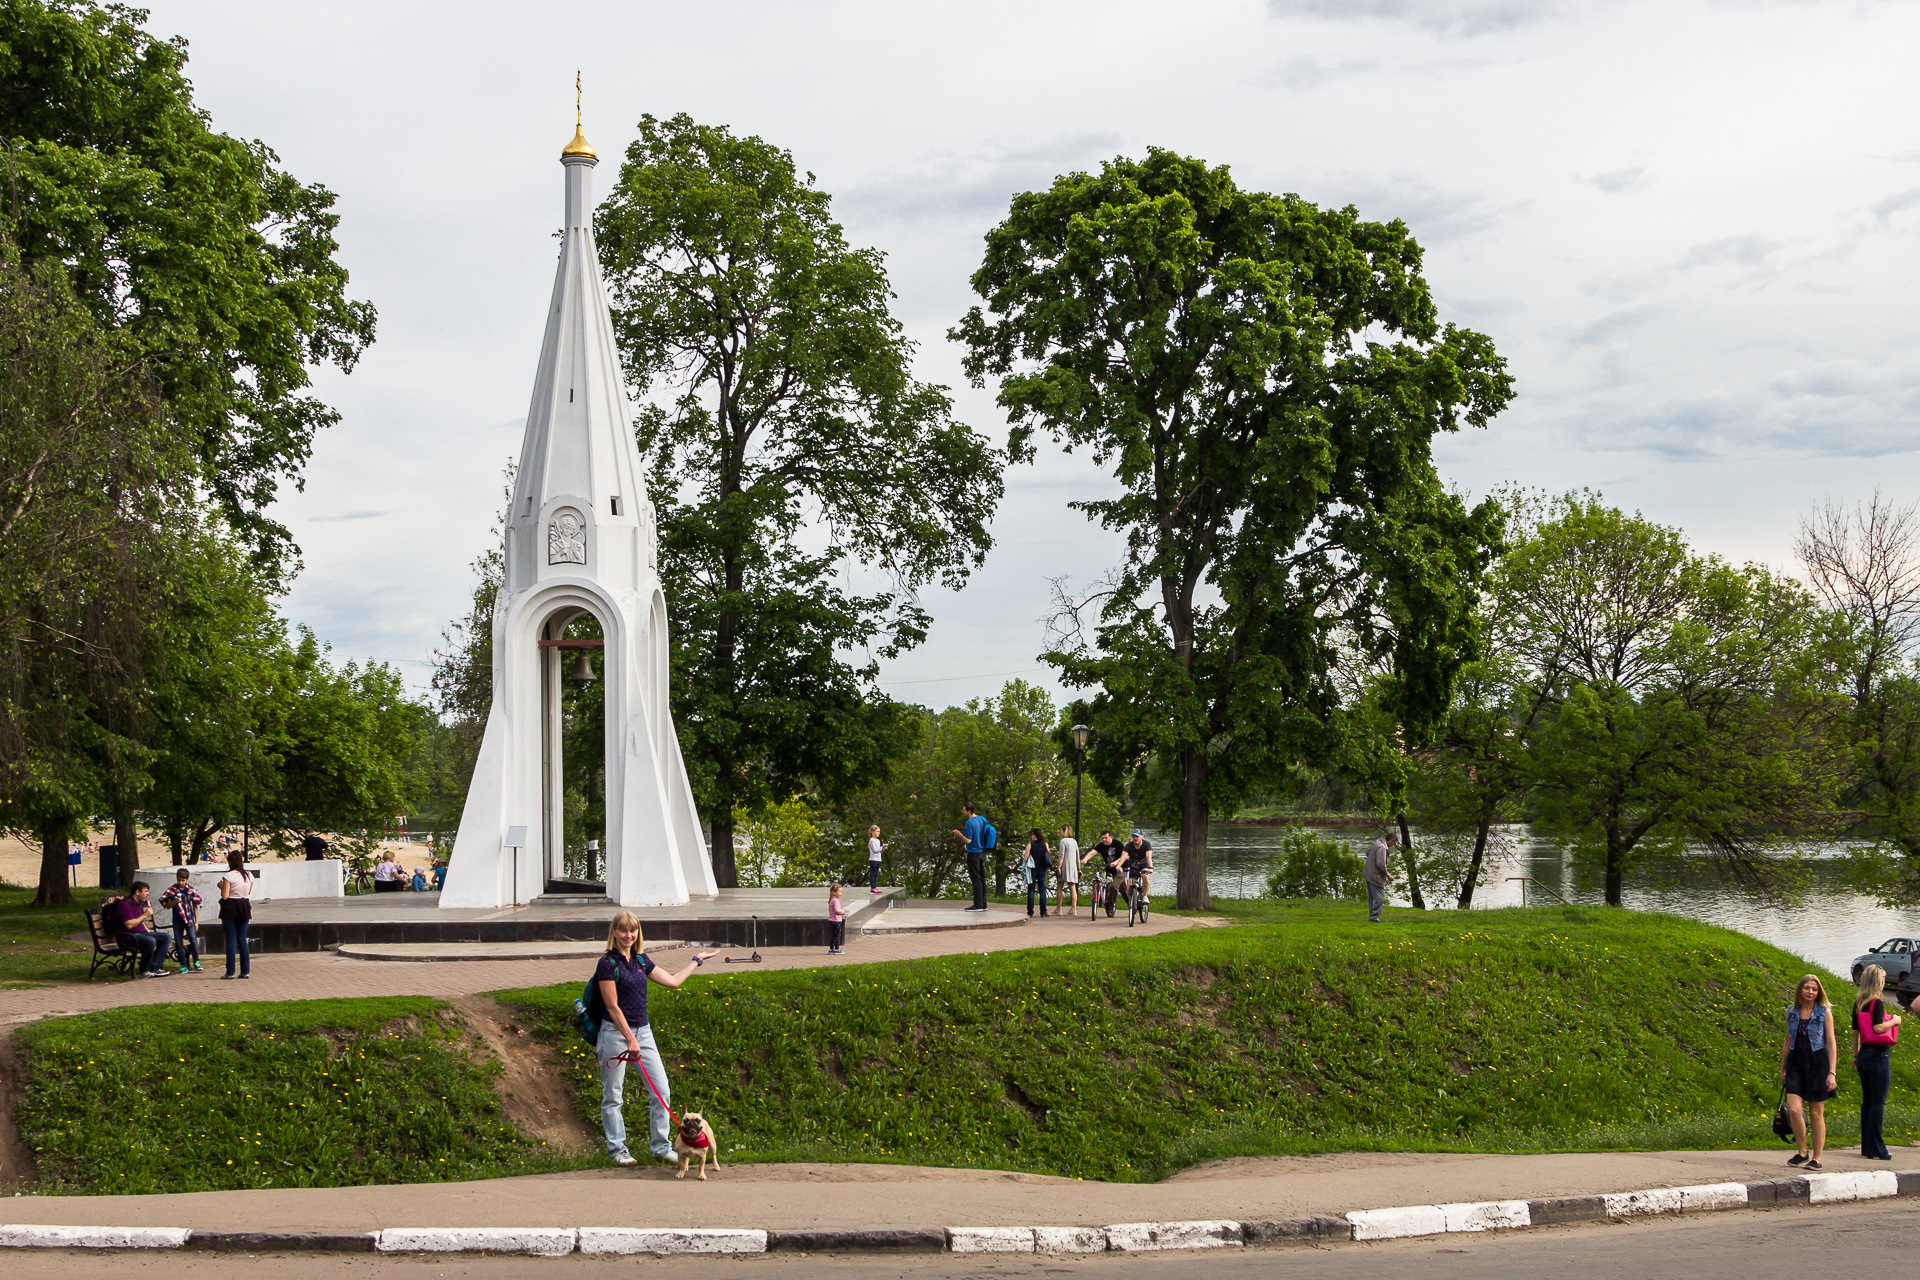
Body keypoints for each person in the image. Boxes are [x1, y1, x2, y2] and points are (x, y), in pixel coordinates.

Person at [592, 912, 717, 1167]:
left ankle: (661, 1147)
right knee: (613, 1095)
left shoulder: (640, 960)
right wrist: (629, 1038)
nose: (628, 935)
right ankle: (617, 1149)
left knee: (661, 1092)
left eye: (633, 931)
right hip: (615, 1034)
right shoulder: (607, 963)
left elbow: (673, 981)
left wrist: (696, 960)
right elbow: (612, 1006)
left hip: (643, 1032)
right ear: (614, 933)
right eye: (624, 931)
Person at [1781, 973, 1838, 1170]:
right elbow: (1788, 1041)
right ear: (1800, 990)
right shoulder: (1791, 1012)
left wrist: (1832, 1072)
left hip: (1818, 1063)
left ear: (1818, 992)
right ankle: (1802, 1151)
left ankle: (1818, 1157)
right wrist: (1784, 1069)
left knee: (1816, 1113)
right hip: (1796, 1063)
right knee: (1795, 1110)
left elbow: (1831, 1043)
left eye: (1814, 989)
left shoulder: (1824, 1012)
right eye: (1807, 988)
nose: (1810, 992)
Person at [1852, 964, 1902, 1161]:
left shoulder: (1859, 1002)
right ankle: (1879, 1148)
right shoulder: (1877, 1002)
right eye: (1882, 979)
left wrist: (1856, 1055)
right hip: (1878, 1057)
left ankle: (1868, 1147)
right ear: (1877, 982)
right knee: (1878, 1103)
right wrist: (1895, 1020)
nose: (1884, 983)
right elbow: (1879, 1028)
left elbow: (1856, 1032)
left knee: (1868, 1102)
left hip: (1864, 1055)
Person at [105, 881, 173, 977]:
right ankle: (144, 971)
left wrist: (148, 931)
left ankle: (155, 967)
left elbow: (139, 920)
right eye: (145, 891)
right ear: (137, 892)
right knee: (150, 941)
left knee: (165, 937)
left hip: (140, 934)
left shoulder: (139, 903)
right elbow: (129, 925)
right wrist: (145, 915)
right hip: (126, 937)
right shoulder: (125, 905)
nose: (148, 893)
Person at [158, 868, 204, 973]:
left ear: (187, 880)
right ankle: (183, 965)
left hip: (189, 918)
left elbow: (195, 905)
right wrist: (174, 901)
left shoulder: (190, 890)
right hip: (177, 920)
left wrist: (196, 921)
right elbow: (168, 905)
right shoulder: (172, 890)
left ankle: (196, 961)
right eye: (179, 880)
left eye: (183, 880)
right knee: (179, 942)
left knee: (193, 938)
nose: (181, 882)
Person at [218, 850, 254, 980]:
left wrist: (221, 886)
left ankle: (230, 971)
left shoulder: (229, 876)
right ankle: (245, 970)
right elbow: (248, 891)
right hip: (244, 905)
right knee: (242, 939)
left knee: (231, 939)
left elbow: (225, 895)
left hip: (231, 907)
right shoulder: (249, 875)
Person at [951, 803, 988, 911]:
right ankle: (984, 903)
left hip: (973, 852)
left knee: (976, 879)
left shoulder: (969, 823)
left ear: (969, 811)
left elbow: (968, 840)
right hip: (982, 852)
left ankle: (977, 904)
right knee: (982, 878)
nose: (963, 812)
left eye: (964, 810)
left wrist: (958, 834)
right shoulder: (982, 819)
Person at [1363, 831, 1397, 923]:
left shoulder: (1377, 843)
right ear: (1390, 840)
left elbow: (1367, 853)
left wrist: (1371, 862)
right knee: (1379, 897)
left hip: (1368, 873)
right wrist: (1388, 875)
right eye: (1393, 843)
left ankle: (1372, 916)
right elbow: (1381, 864)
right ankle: (1374, 917)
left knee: (1372, 897)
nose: (1392, 845)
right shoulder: (1382, 847)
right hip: (1375, 876)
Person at [1089, 829, 1124, 916]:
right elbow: (1092, 853)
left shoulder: (1118, 844)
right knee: (1122, 888)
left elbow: (1124, 856)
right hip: (1110, 868)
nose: (1104, 840)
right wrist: (1085, 860)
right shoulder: (1101, 845)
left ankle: (1110, 906)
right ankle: (1131, 905)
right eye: (1102, 838)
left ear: (1111, 837)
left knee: (1114, 886)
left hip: (1121, 868)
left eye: (1106, 838)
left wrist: (1116, 863)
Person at [1117, 829, 1153, 903]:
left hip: (1144, 866)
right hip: (1133, 867)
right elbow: (1123, 856)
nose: (1135, 838)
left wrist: (1150, 868)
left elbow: (1148, 857)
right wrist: (1118, 866)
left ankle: (1145, 896)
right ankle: (1132, 904)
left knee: (1145, 877)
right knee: (1129, 886)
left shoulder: (1146, 844)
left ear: (1142, 836)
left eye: (1137, 836)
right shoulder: (1129, 845)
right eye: (1133, 836)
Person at [1025, 829, 1051, 918]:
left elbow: (1025, 858)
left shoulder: (1030, 845)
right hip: (1043, 870)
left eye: (1032, 835)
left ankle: (1030, 911)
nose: (1031, 836)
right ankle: (1043, 911)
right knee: (1042, 891)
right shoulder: (1045, 845)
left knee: (1031, 891)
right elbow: (1048, 855)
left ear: (1035, 835)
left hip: (1032, 870)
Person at [1056, 824, 1081, 913]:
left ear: (1064, 831)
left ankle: (1059, 908)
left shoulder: (1063, 841)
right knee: (1072, 887)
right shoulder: (1074, 841)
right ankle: (1073, 908)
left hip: (1064, 866)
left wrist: (1059, 867)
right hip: (1073, 867)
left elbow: (1061, 855)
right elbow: (1078, 856)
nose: (1060, 832)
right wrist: (1079, 868)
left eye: (1061, 830)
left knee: (1060, 886)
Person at [826, 883, 846, 954]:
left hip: (832, 920)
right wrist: (843, 912)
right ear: (834, 892)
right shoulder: (835, 901)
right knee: (837, 935)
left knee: (834, 935)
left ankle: (832, 948)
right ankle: (836, 948)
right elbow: (837, 910)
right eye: (839, 891)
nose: (841, 893)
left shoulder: (831, 900)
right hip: (836, 920)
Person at [866, 825, 886, 894]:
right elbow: (875, 850)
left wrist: (882, 848)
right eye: (877, 831)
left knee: (876, 874)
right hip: (873, 859)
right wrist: (882, 846)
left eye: (879, 831)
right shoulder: (871, 840)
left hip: (878, 859)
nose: (878, 833)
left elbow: (879, 850)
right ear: (872, 832)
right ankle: (872, 888)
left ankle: (875, 886)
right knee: (873, 873)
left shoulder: (878, 840)